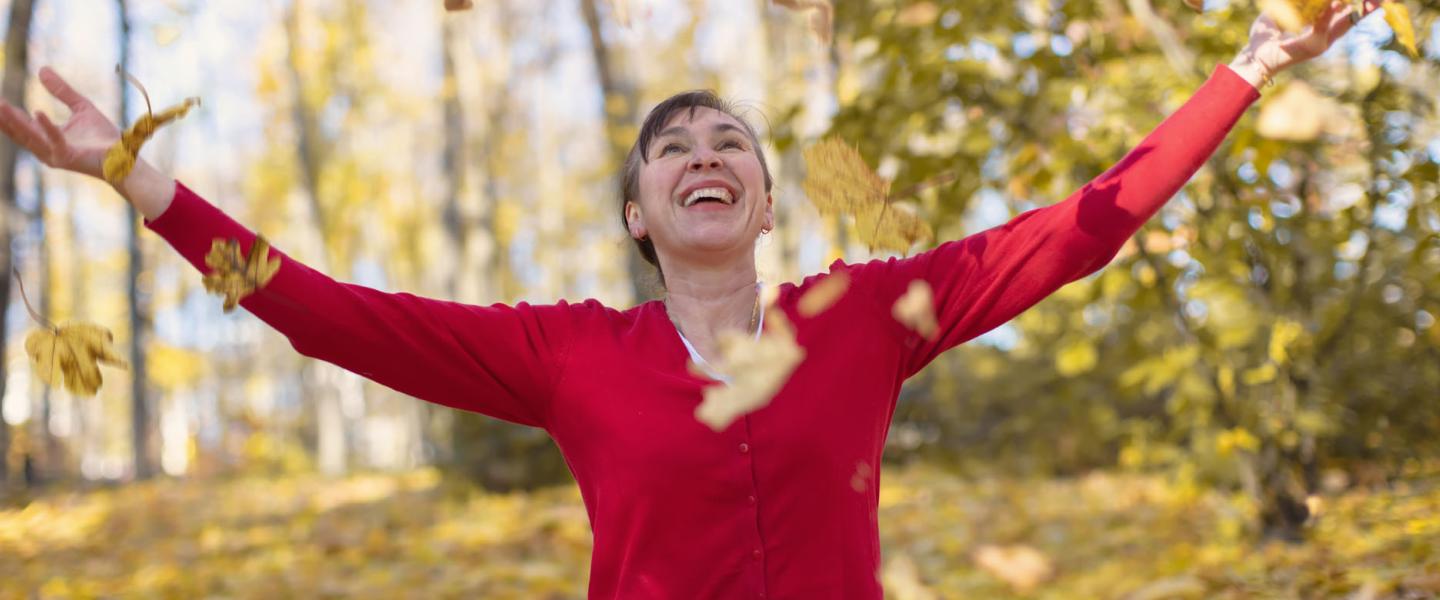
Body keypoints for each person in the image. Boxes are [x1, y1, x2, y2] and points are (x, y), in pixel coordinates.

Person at [0, 3, 1374, 597]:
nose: (705, 156)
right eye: (674, 149)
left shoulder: (868, 318)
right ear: (638, 214)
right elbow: (324, 313)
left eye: (732, 145)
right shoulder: (563, 356)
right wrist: (149, 191)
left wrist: (1252, 61)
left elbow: (1086, 227)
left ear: (768, 205)